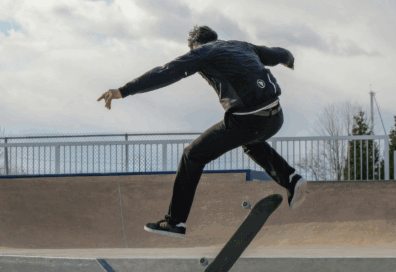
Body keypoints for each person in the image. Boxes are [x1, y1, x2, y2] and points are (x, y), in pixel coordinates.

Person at [97, 25, 307, 238]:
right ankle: (290, 178)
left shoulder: (202, 53)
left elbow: (166, 72)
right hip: (275, 116)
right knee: (250, 141)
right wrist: (289, 59)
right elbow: (277, 54)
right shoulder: (240, 45)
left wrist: (123, 91)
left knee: (192, 155)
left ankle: (175, 221)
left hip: (248, 119)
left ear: (195, 46)